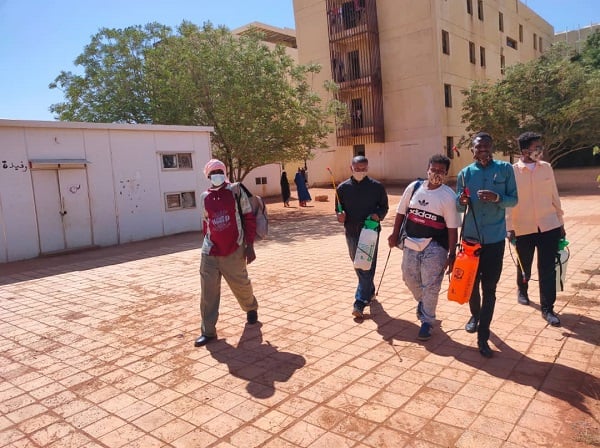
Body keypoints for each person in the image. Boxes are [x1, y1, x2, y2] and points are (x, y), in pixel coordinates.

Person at [456, 132, 518, 358]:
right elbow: (458, 207)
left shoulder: (505, 170)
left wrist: (497, 198)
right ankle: (475, 315)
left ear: (492, 147)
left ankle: (483, 335)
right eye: (478, 146)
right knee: (471, 286)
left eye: (486, 146)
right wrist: (461, 201)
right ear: (472, 149)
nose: (482, 150)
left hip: (493, 240)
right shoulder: (464, 174)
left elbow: (514, 199)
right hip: (471, 239)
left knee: (489, 288)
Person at [388, 154, 460, 341]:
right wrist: (394, 234)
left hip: (436, 246)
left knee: (431, 285)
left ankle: (427, 321)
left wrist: (452, 254)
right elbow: (400, 213)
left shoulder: (448, 196)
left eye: (441, 171)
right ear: (427, 168)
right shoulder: (414, 188)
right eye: (433, 169)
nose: (436, 173)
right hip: (411, 242)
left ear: (446, 173)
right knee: (408, 277)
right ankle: (423, 302)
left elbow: (452, 228)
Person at [194, 159, 259, 347]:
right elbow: (206, 222)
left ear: (224, 173)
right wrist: (207, 242)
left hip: (234, 249)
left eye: (219, 171)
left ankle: (250, 307)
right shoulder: (204, 196)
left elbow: (248, 218)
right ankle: (208, 331)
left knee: (241, 285)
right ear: (207, 176)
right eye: (212, 173)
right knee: (208, 292)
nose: (216, 175)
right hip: (210, 250)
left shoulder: (236, 191)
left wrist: (249, 245)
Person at [506, 132, 565, 326]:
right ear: (524, 151)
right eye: (536, 147)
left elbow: (554, 195)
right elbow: (508, 202)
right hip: (522, 227)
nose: (540, 150)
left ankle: (548, 308)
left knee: (547, 268)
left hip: (549, 225)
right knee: (525, 264)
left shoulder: (546, 168)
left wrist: (560, 223)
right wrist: (509, 227)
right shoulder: (512, 171)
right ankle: (522, 290)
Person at [336, 155, 389, 319]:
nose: (360, 171)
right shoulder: (342, 188)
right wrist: (340, 215)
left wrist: (377, 215)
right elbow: (338, 209)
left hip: (370, 231)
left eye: (363, 169)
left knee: (365, 265)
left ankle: (359, 302)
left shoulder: (377, 187)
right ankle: (369, 290)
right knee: (357, 263)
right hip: (351, 230)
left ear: (367, 168)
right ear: (351, 168)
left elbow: (384, 208)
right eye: (357, 169)